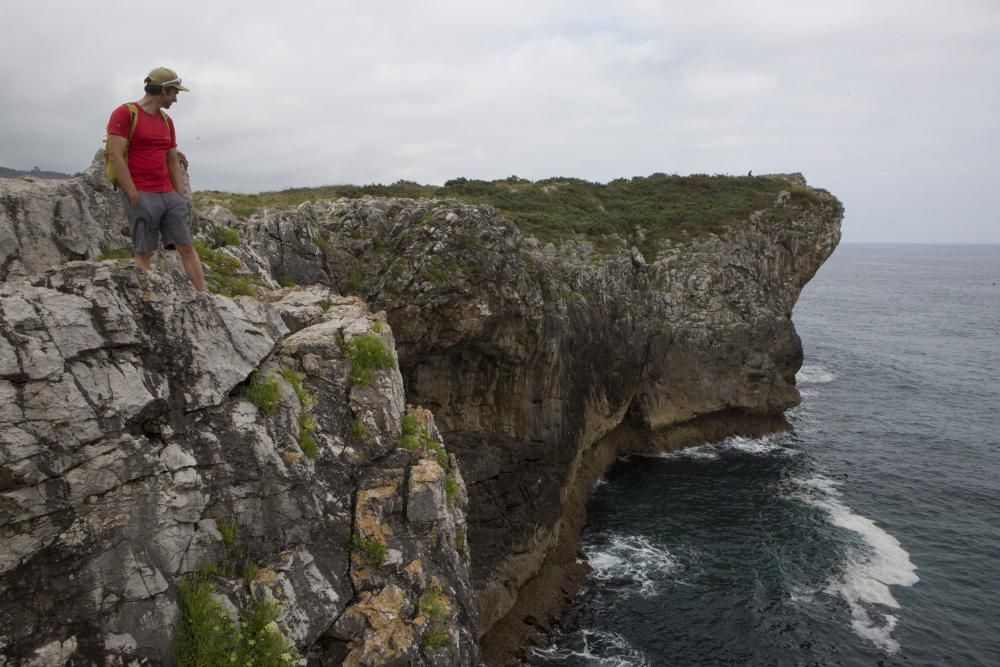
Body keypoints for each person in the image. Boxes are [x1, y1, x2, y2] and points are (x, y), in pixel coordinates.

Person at [106, 67, 207, 292]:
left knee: (187, 247)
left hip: (168, 194)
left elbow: (172, 158)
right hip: (142, 193)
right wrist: (132, 192)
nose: (176, 99)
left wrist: (179, 196)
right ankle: (149, 300)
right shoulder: (124, 114)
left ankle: (205, 297)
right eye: (174, 93)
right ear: (163, 90)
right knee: (144, 251)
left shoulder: (166, 120)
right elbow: (115, 154)